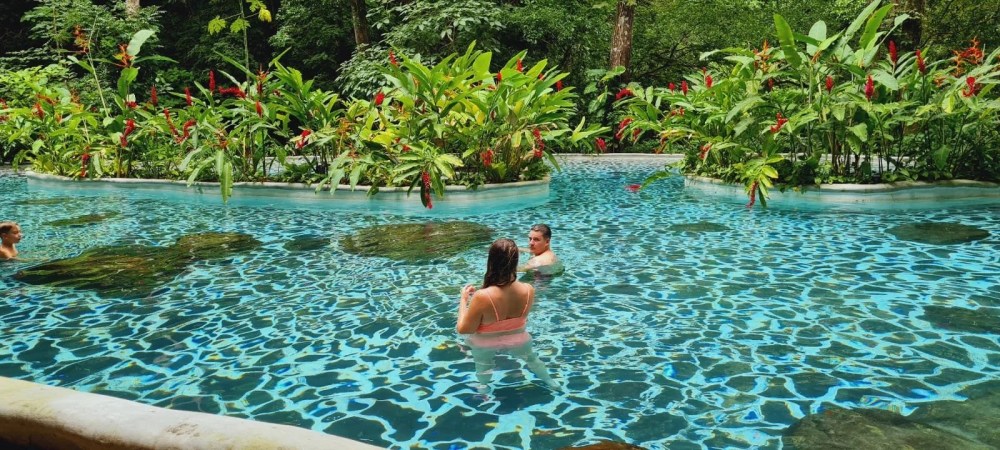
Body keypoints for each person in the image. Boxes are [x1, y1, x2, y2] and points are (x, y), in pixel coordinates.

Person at [456, 238, 557, 390]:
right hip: (519, 340)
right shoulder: (529, 290)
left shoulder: (482, 296)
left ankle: (483, 388)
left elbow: (464, 329)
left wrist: (463, 300)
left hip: (485, 344)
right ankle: (551, 382)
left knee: (483, 366)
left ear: (491, 262)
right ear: (515, 261)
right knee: (532, 359)